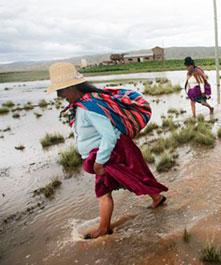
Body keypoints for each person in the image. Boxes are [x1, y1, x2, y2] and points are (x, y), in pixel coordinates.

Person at [47, 62, 168, 239]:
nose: (59, 95)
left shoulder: (89, 107)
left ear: (72, 86)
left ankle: (104, 229)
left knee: (103, 191)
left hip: (110, 154)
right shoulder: (83, 105)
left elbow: (109, 136)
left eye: (61, 90)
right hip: (108, 153)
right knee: (132, 179)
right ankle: (157, 199)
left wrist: (99, 161)